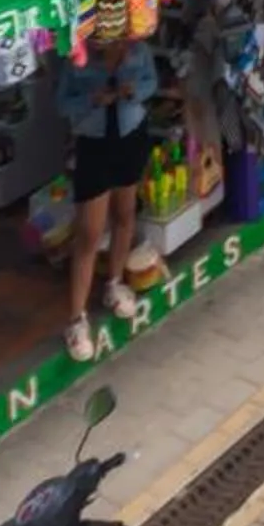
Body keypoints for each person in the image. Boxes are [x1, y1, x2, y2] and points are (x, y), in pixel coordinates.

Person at [55, 34, 158, 361]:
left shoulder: (138, 52)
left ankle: (114, 284)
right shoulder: (78, 61)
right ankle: (76, 319)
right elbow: (61, 102)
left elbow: (151, 83)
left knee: (125, 215)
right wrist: (91, 100)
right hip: (95, 146)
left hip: (130, 137)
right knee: (90, 232)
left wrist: (134, 92)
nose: (108, 45)